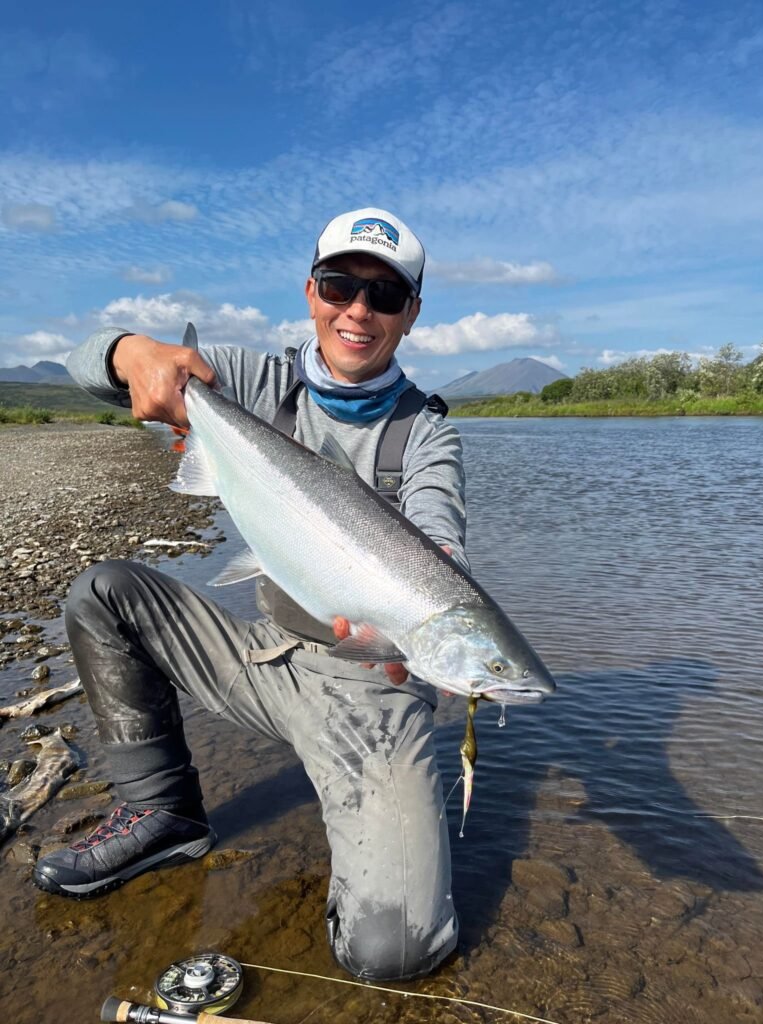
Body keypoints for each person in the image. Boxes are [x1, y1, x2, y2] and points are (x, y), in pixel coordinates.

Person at [34, 208, 468, 982]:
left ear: (412, 316)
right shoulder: (245, 379)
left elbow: (440, 543)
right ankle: (161, 811)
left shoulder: (427, 435)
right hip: (265, 658)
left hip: (372, 687)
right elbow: (83, 365)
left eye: (385, 295)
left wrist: (428, 607)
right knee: (105, 594)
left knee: (399, 952)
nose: (358, 311)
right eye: (341, 285)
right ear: (311, 292)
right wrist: (133, 352)